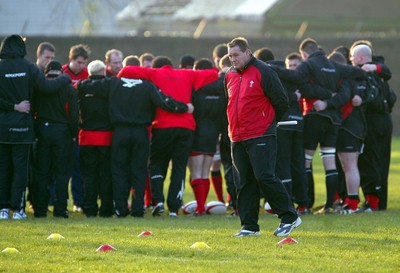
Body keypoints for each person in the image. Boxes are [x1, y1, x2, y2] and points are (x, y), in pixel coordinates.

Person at [118, 56, 218, 217]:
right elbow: (213, 73)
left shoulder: (154, 73)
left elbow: (126, 70)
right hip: (186, 127)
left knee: (157, 164)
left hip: (162, 126)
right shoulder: (188, 75)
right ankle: (174, 208)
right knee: (179, 167)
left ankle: (157, 201)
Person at [224, 37, 301, 237]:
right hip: (237, 137)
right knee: (244, 182)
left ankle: (289, 216)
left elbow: (281, 101)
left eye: (236, 55)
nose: (233, 59)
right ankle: (249, 226)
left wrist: (267, 122)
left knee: (264, 177)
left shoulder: (264, 71)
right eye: (230, 55)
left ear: (247, 52)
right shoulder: (229, 75)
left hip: (261, 134)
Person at [0, 35, 71, 220]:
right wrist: (64, 79)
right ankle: (18, 209)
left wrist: (10, 107)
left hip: (3, 127)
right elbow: (47, 87)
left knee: (3, 168)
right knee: (20, 169)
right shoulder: (29, 67)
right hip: (23, 128)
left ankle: (3, 209)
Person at [350, 43, 394, 211]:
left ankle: (372, 202)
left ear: (360, 58)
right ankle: (379, 202)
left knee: (368, 160)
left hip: (370, 120)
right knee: (382, 161)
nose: (351, 61)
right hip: (385, 120)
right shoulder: (380, 72)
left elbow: (368, 96)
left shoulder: (364, 74)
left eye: (352, 58)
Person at [32, 61, 78, 218]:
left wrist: (35, 131)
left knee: (41, 172)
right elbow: (73, 115)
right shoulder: (69, 89)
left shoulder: (40, 88)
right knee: (61, 173)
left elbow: (33, 111)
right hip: (62, 133)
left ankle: (40, 209)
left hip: (43, 132)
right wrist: (73, 134)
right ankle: (60, 209)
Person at [188, 58, 227, 215]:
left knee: (196, 173)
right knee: (205, 172)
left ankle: (200, 207)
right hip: (213, 135)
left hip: (197, 133)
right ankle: (202, 206)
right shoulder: (221, 91)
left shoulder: (197, 90)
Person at [273, 52, 310, 214]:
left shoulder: (281, 80)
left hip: (286, 124)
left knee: (286, 163)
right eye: (291, 66)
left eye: (296, 66)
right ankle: (302, 203)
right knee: (296, 164)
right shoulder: (299, 80)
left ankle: (290, 202)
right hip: (297, 123)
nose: (293, 69)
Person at [76, 60, 114, 218]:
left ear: (89, 72)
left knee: (89, 175)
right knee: (106, 175)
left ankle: (90, 209)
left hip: (86, 137)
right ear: (104, 72)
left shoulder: (81, 86)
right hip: (106, 138)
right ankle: (106, 209)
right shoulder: (110, 85)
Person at [62, 44, 91, 213]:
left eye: (84, 63)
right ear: (71, 59)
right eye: (79, 62)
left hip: (80, 127)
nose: (81, 66)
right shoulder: (62, 73)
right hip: (63, 125)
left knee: (79, 167)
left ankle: (78, 202)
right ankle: (59, 199)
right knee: (62, 166)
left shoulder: (87, 74)